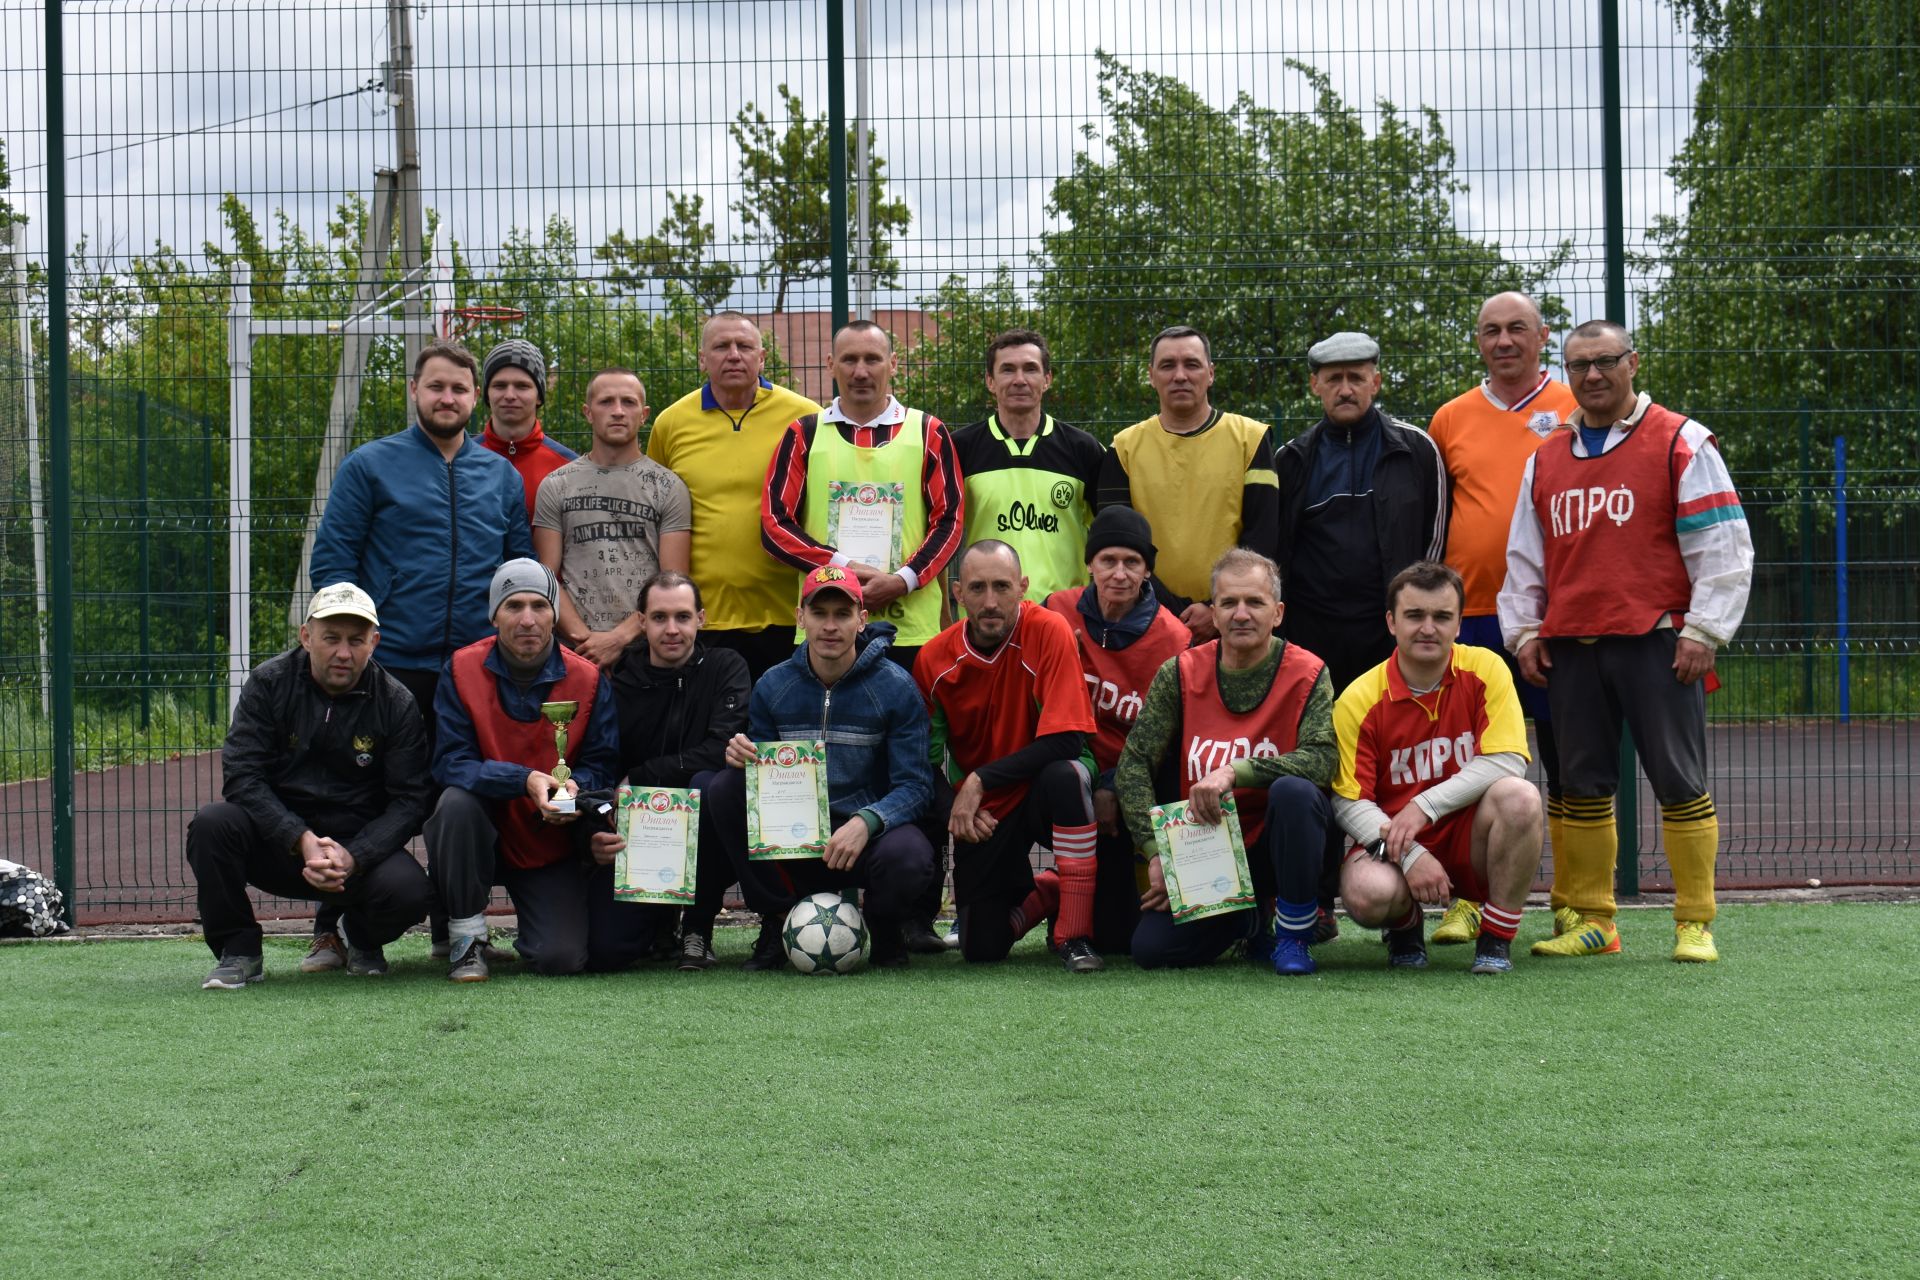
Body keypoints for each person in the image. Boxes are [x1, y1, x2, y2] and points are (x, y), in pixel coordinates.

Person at [1500, 319, 1753, 963]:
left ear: (1632, 363)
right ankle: (1594, 921)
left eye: (1605, 362)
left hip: (1658, 640)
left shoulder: (1682, 441)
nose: (1591, 376)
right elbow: (1525, 558)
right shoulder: (1546, 457)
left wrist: (1705, 629)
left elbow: (1722, 547)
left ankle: (1695, 920)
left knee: (1679, 779)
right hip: (1572, 645)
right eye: (1579, 365)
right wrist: (1525, 630)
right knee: (1580, 785)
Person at [308, 339, 532, 968]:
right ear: (415, 391)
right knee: (365, 793)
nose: (447, 398)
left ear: (475, 398)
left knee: (457, 797)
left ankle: (452, 931)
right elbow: (334, 564)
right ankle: (334, 929)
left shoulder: (500, 475)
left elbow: (517, 570)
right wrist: (356, 647)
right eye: (436, 387)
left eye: (459, 389)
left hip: (472, 670)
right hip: (391, 664)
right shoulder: (370, 465)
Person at [1427, 293, 1580, 946]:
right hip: (1473, 620)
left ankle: (1575, 901)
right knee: (1467, 761)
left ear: (1543, 336)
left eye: (1518, 328)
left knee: (1568, 760)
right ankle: (1467, 897)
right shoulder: (1451, 417)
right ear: (1478, 341)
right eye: (1491, 330)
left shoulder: (1580, 407)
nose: (1505, 340)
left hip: (1557, 617)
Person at [188, 583, 433, 989]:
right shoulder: (268, 684)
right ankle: (239, 951)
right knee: (212, 824)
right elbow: (242, 776)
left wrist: (356, 855)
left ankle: (358, 936)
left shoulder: (397, 702)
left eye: (356, 641)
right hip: (279, 845)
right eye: (331, 638)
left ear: (374, 642)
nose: (343, 652)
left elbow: (411, 800)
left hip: (354, 852)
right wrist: (298, 837)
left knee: (410, 891)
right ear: (306, 636)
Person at [705, 567, 937, 970]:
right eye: (820, 613)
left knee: (910, 854)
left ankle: (884, 927)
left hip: (865, 841)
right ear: (800, 618)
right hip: (796, 841)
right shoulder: (772, 686)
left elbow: (916, 786)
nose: (830, 626)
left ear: (861, 620)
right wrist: (745, 757)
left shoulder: (897, 688)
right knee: (725, 786)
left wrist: (868, 821)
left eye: (842, 614)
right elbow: (764, 778)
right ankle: (778, 921)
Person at [1115, 548, 1336, 972]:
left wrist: (1236, 771)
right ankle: (1248, 919)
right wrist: (1155, 853)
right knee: (1151, 951)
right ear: (1213, 614)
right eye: (1229, 603)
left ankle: (1293, 936)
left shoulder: (1309, 672)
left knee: (1295, 792)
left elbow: (1322, 759)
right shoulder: (1179, 672)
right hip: (1208, 852)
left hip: (1282, 842)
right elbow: (1134, 763)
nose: (1241, 614)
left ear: (1278, 612)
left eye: (1255, 602)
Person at [424, 559, 644, 980]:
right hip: (480, 831)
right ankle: (465, 937)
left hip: (547, 838)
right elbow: (450, 762)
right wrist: (522, 781)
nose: (527, 619)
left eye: (540, 606)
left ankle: (532, 929)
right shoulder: (460, 669)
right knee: (454, 804)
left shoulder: (590, 679)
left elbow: (600, 764)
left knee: (559, 960)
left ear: (555, 615)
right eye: (513, 606)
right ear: (494, 614)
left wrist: (569, 794)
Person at [1331, 561, 1544, 975]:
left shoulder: (1486, 668)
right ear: (1391, 622)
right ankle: (1405, 928)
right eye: (1415, 615)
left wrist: (1423, 806)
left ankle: (1496, 939)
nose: (1428, 628)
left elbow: (1508, 759)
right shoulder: (1359, 697)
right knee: (1364, 891)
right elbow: (1347, 801)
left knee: (1520, 798)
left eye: (1442, 617)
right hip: (1395, 842)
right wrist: (1408, 854)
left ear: (1459, 624)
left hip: (1471, 837)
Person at [916, 541, 1103, 971]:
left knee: (1068, 775)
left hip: (1044, 788)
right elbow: (922, 762)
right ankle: (1048, 891)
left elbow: (1068, 740)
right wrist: (957, 808)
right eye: (977, 588)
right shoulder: (933, 659)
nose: (990, 602)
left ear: (1023, 587)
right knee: (982, 949)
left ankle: (1074, 935)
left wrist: (979, 779)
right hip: (989, 813)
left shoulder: (1050, 630)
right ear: (957, 593)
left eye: (1002, 587)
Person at [761, 319, 964, 673]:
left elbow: (950, 520)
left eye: (872, 359)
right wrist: (844, 570)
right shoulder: (803, 434)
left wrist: (904, 580)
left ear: (893, 364)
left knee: (909, 727)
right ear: (830, 364)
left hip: (913, 630)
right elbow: (774, 525)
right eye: (849, 360)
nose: (860, 372)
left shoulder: (928, 431)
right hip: (826, 628)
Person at [1043, 507, 1191, 953]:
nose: (1119, 574)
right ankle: (1051, 892)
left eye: (1132, 562)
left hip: (1139, 782)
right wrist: (1096, 779)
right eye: (1108, 560)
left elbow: (1163, 742)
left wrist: (1114, 785)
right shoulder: (1056, 612)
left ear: (1148, 570)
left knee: (1119, 938)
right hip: (1071, 773)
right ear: (1090, 563)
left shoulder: (1175, 638)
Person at [648, 312, 821, 679]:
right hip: (703, 618)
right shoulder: (671, 423)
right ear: (702, 358)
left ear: (761, 357)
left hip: (788, 615)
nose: (733, 355)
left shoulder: (806, 417)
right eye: (721, 346)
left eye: (744, 346)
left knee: (779, 735)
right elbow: (658, 511)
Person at [1274, 331, 1448, 695]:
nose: (1345, 389)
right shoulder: (1291, 460)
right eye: (1334, 379)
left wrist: (1413, 611)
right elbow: (1279, 552)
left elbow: (1436, 543)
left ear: (1376, 383)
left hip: (1389, 630)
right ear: (1315, 385)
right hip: (1313, 636)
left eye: (1356, 377)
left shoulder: (1416, 449)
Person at [1095, 326, 1279, 643]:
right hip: (1147, 618)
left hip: (1233, 619)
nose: (1180, 375)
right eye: (1168, 365)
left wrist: (1217, 606)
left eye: (1191, 364)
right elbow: (1119, 542)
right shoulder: (1123, 448)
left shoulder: (1251, 439)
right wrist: (1164, 609)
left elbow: (1263, 535)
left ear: (1210, 373)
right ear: (1151, 375)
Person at [610, 571, 750, 971]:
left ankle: (698, 928)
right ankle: (656, 925)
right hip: (641, 828)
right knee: (611, 949)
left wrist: (640, 776)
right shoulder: (622, 681)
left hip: (706, 822)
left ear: (701, 619)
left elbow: (718, 750)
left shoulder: (726, 666)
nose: (672, 630)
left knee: (712, 786)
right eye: (659, 618)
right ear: (641, 622)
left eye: (683, 617)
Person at [533, 369, 693, 669]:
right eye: (606, 402)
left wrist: (619, 639)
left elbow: (673, 583)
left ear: (644, 414)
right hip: (577, 650)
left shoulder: (668, 487)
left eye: (628, 402)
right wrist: (588, 643)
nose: (618, 411)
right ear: (588, 412)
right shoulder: (556, 485)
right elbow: (547, 576)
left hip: (648, 650)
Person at [952, 329, 1104, 605]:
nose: (1019, 380)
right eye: (1007, 370)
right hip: (986, 616)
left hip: (1064, 615)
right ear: (990, 380)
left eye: (1030, 369)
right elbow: (941, 534)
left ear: (1047, 379)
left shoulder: (1084, 449)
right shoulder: (960, 448)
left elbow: (1108, 535)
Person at [477, 338, 577, 527]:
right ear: (487, 394)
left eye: (522, 386)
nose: (509, 395)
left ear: (539, 395)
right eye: (499, 386)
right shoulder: (460, 461)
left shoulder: (569, 468)